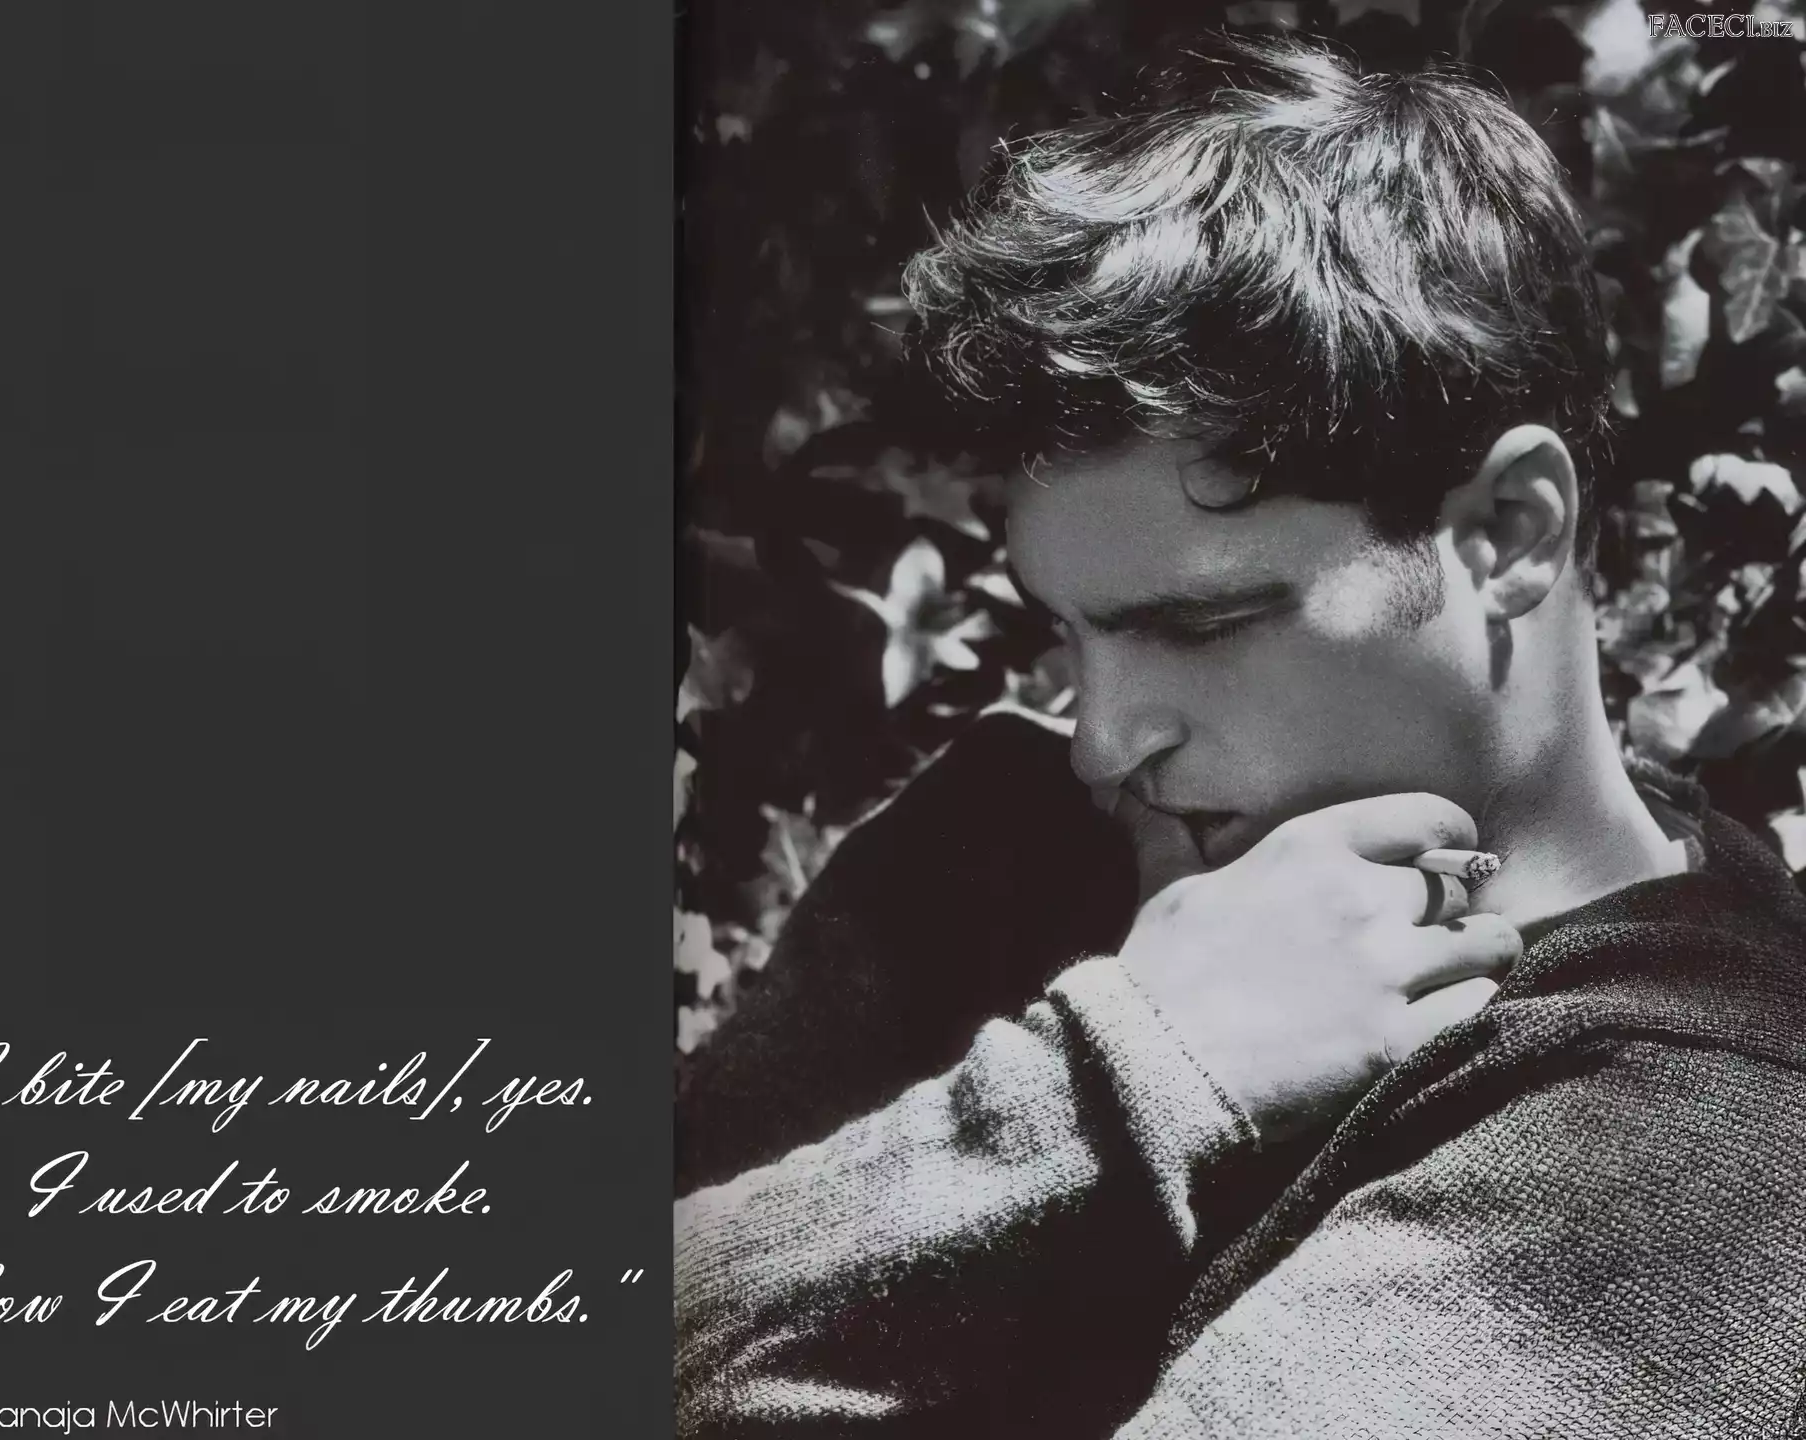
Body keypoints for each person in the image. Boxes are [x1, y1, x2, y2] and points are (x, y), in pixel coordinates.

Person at [674, 31, 1806, 1437]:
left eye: (1201, 626)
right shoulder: (992, 852)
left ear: (1511, 534)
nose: (1101, 743)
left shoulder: (1698, 1156)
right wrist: (1132, 1069)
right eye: (1067, 629)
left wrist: (1126, 1083)